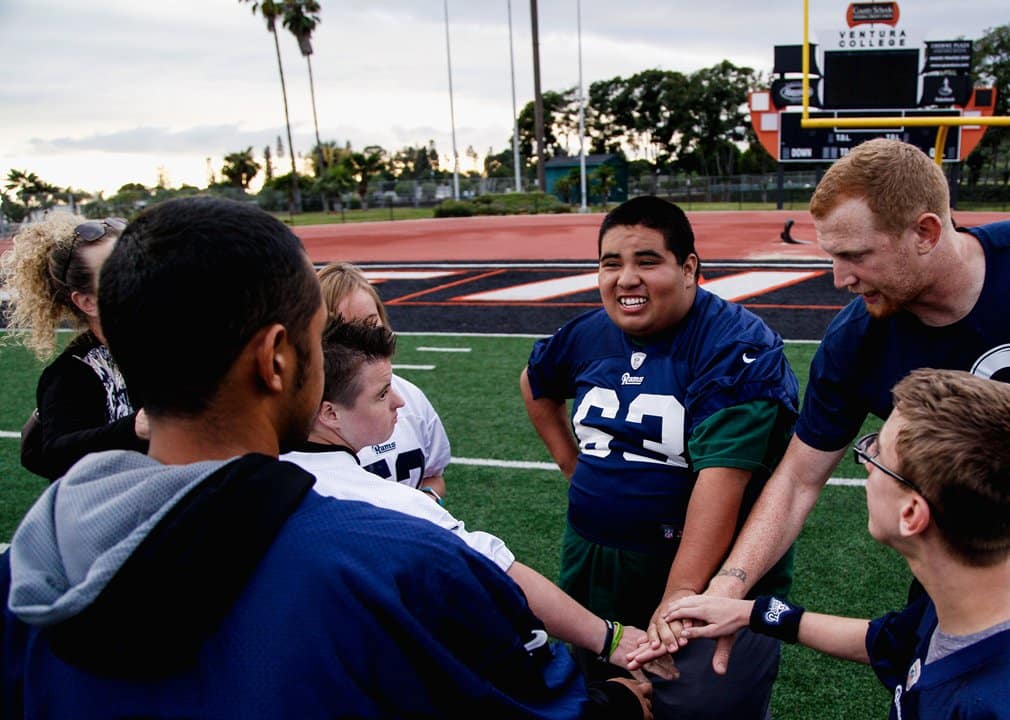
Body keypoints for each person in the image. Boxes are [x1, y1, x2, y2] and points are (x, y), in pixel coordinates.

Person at [2, 196, 650, 718]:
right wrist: (619, 702)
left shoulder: (23, 567)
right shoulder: (396, 560)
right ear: (277, 358)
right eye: (320, 338)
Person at [693, 139, 1010, 720]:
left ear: (927, 231)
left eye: (856, 255)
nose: (840, 278)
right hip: (956, 569)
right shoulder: (855, 342)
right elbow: (797, 479)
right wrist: (733, 584)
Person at [638, 369, 1010, 719]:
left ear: (912, 514)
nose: (866, 465)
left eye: (876, 455)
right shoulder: (981, 596)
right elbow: (891, 642)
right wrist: (752, 613)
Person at [520, 196, 800, 719]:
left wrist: (673, 604)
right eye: (611, 264)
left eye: (647, 261)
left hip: (704, 577)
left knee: (698, 705)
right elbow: (536, 383)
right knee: (600, 701)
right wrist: (572, 467)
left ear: (689, 267)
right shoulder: (587, 333)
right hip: (594, 564)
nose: (626, 279)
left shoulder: (735, 345)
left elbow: (723, 483)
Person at [282, 319, 672, 682]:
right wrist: (609, 637)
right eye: (382, 393)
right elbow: (499, 571)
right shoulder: (391, 505)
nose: (399, 401)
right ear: (329, 413)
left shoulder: (245, 472)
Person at [0, 215, 148, 480]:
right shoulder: (72, 374)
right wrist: (135, 427)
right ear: (88, 302)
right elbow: (55, 454)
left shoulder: (167, 345)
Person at [317, 262, 450, 499]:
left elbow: (433, 476)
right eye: (347, 328)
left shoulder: (410, 397)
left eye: (370, 323)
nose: (364, 337)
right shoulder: (306, 422)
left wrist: (425, 502)